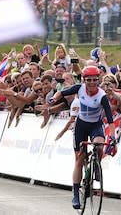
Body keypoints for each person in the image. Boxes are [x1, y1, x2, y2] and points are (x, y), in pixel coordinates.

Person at [48, 65, 116, 210]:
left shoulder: (102, 96)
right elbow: (61, 92)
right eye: (89, 80)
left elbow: (110, 119)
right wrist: (53, 98)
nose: (92, 83)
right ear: (84, 80)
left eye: (95, 80)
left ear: (98, 80)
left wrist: (113, 137)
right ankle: (75, 193)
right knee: (79, 159)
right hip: (81, 126)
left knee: (99, 144)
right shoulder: (79, 88)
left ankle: (96, 166)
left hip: (95, 125)